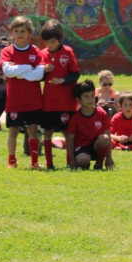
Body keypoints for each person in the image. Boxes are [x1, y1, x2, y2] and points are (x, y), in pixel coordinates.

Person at [0, 16, 44, 169]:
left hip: (33, 100)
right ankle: (11, 161)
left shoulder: (35, 51)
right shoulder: (7, 51)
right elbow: (7, 71)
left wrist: (17, 70)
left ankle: (34, 162)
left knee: (33, 131)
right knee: (13, 131)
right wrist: (28, 68)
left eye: (22, 31)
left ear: (29, 33)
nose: (19, 34)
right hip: (14, 100)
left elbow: (39, 74)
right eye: (16, 31)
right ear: (12, 33)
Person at [38, 19, 80, 170]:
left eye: (53, 42)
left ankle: (70, 162)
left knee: (67, 133)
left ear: (60, 39)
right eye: (47, 42)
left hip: (66, 103)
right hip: (48, 103)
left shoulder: (68, 52)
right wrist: (43, 71)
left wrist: (62, 80)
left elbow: (75, 74)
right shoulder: (42, 54)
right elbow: (39, 77)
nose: (50, 45)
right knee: (47, 132)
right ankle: (49, 163)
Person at [65, 80, 112, 170]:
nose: (90, 99)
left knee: (104, 138)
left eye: (92, 96)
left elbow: (108, 136)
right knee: (83, 160)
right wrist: (72, 160)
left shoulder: (102, 114)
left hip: (96, 147)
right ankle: (84, 165)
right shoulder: (75, 117)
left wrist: (109, 158)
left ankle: (99, 164)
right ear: (78, 100)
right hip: (82, 148)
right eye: (86, 96)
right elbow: (69, 139)